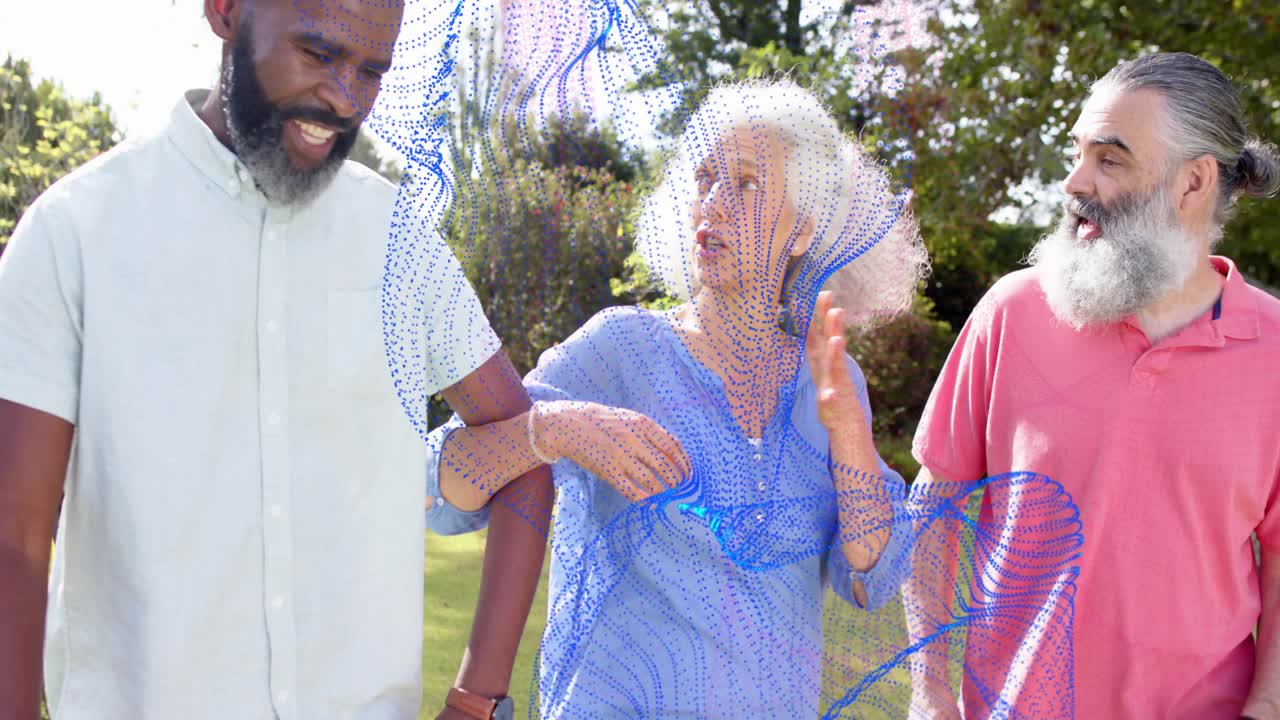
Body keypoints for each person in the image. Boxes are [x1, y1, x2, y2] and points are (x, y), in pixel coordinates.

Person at [0, 0, 551, 718]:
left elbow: (524, 459)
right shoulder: (75, 232)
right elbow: (15, 537)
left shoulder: (398, 245)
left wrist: (477, 702)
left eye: (372, 72)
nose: (346, 99)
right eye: (319, 55)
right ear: (226, 12)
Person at [421, 78, 929, 718]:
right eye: (704, 178)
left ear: (801, 231)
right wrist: (551, 428)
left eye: (743, 184)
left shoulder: (831, 380)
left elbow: (872, 576)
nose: (711, 202)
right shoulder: (620, 349)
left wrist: (850, 430)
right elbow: (442, 496)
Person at [905, 51, 1280, 719]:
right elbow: (933, 514)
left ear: (1193, 182)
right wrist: (930, 700)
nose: (1076, 182)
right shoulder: (1012, 312)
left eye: (1110, 160)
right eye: (1077, 153)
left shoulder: (1274, 349)